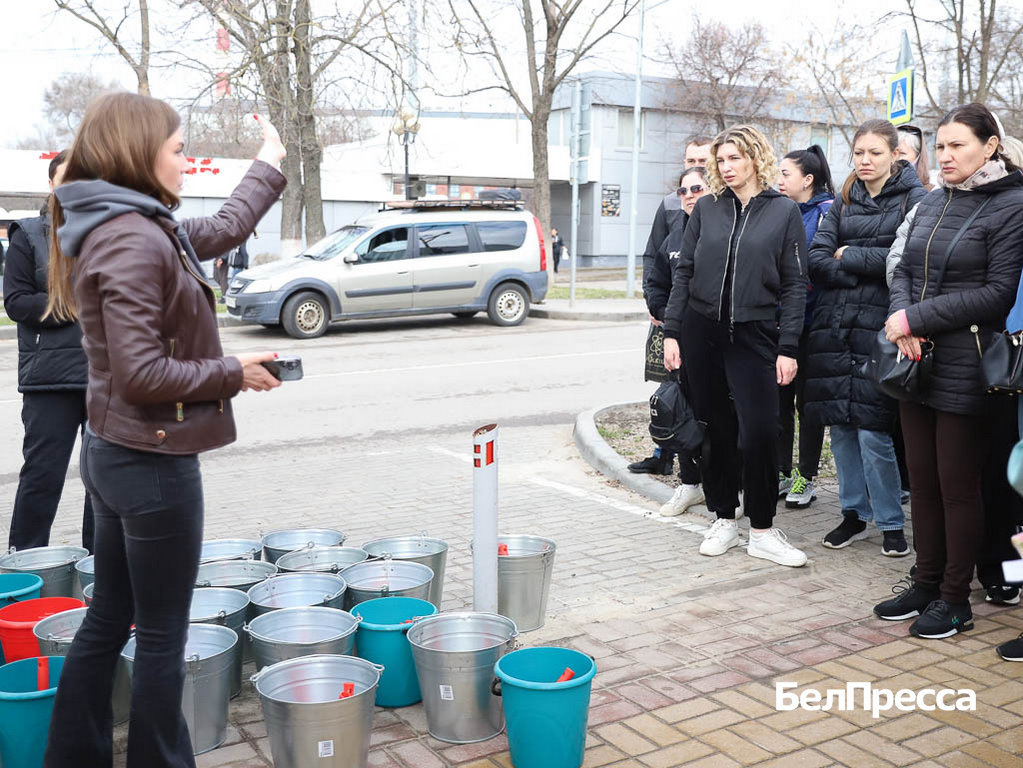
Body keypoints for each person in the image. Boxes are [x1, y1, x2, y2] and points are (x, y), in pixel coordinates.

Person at [41, 93, 286, 768]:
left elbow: (227, 227)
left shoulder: (140, 224)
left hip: (119, 456)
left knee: (109, 616)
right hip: (149, 464)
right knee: (158, 637)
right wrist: (232, 371)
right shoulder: (129, 237)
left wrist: (268, 162)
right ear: (137, 153)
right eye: (178, 149)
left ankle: (72, 755)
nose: (186, 162)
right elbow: (142, 375)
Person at [876, 103, 1023, 639]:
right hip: (915, 361)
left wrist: (916, 316)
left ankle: (956, 599)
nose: (946, 155)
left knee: (958, 486)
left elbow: (997, 294)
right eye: (940, 146)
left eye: (958, 144)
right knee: (924, 482)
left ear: (990, 146)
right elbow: (904, 267)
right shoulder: (935, 200)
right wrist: (901, 321)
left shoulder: (1012, 206)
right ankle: (927, 580)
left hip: (969, 365)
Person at [662, 125, 809, 567]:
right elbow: (684, 272)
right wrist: (672, 331)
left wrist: (789, 347)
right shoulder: (706, 209)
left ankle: (762, 529)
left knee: (762, 430)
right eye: (719, 161)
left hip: (756, 334)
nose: (726, 168)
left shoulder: (783, 211)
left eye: (734, 159)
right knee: (715, 429)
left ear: (755, 159)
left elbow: (796, 285)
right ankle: (724, 516)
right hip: (701, 331)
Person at [804, 119, 924, 558]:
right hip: (834, 328)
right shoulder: (844, 199)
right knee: (841, 428)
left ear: (896, 153)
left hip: (882, 327)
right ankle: (854, 515)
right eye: (859, 153)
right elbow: (816, 257)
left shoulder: (916, 198)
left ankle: (892, 523)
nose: (866, 161)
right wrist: (858, 263)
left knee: (875, 431)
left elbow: (905, 257)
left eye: (875, 152)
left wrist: (849, 255)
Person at [3, 150, 94, 553]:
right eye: (67, 180)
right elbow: (17, 302)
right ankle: (25, 563)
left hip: (106, 378)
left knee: (105, 480)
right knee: (42, 478)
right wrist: (70, 305)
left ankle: (100, 567)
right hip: (50, 379)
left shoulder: (107, 234)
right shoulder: (28, 234)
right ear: (52, 185)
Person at [630, 134, 712, 475]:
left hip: (703, 325)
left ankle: (699, 469)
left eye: (702, 163)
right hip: (668, 319)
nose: (695, 169)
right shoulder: (671, 206)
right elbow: (656, 256)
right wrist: (656, 302)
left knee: (697, 394)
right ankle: (664, 452)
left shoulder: (721, 212)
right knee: (668, 389)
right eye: (690, 161)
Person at [775, 145, 834, 509]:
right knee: (779, 399)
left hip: (813, 324)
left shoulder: (827, 213)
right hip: (780, 323)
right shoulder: (782, 211)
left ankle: (805, 475)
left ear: (808, 179)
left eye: (786, 174)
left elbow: (815, 266)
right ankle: (781, 470)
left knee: (808, 405)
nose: (779, 180)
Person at [648, 166, 709, 516]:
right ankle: (690, 485)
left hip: (715, 342)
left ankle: (728, 487)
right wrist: (663, 313)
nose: (688, 196)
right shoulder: (674, 237)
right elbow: (656, 281)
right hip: (678, 341)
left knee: (717, 417)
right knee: (680, 412)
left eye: (696, 188)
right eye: (683, 191)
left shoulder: (721, 231)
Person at [896, 124, 934, 191]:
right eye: (893, 153)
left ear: (918, 156)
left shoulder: (930, 192)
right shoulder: (878, 187)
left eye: (902, 153)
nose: (896, 158)